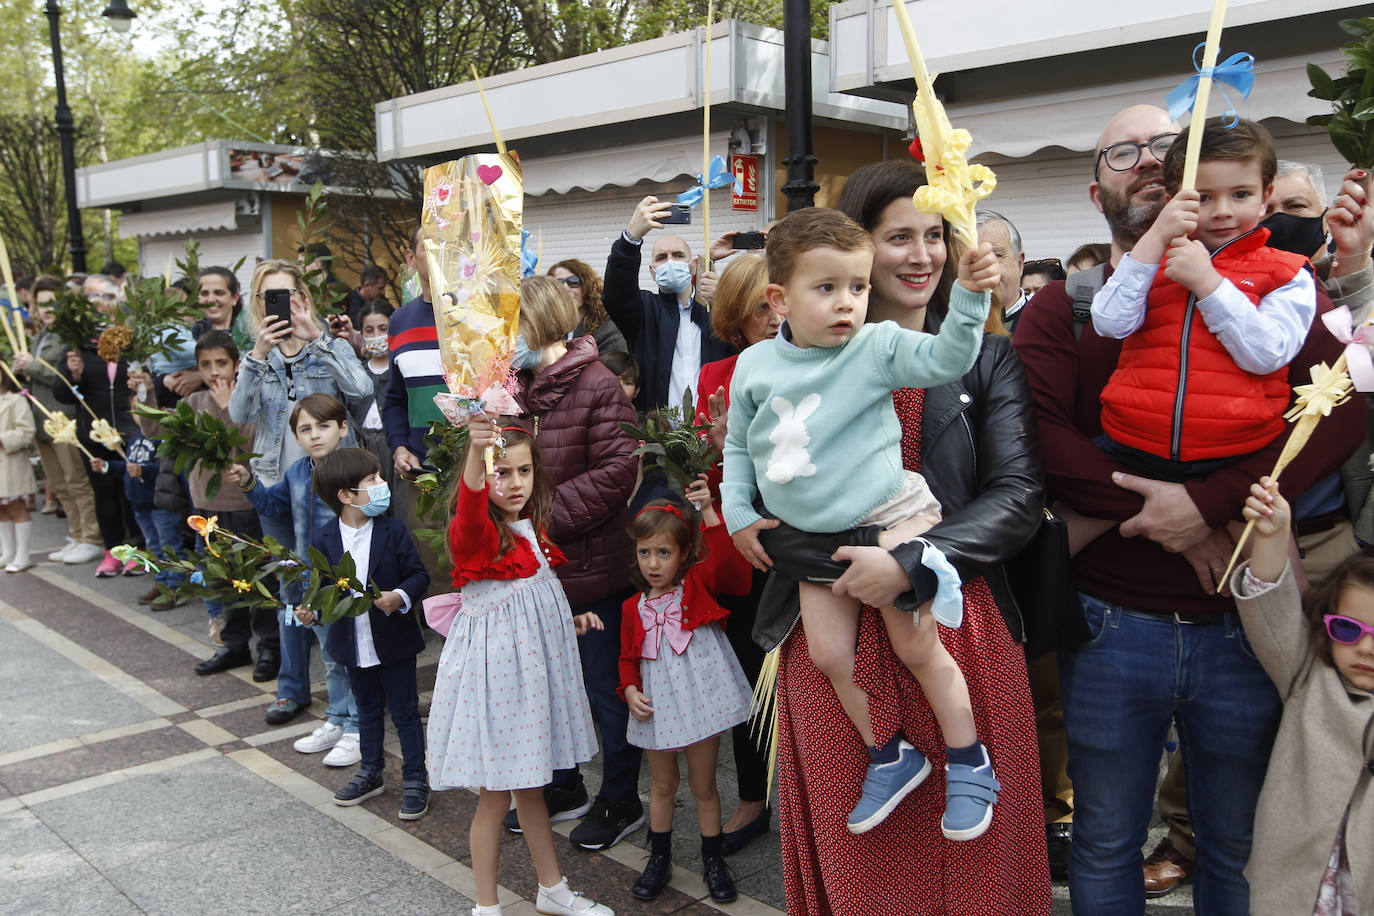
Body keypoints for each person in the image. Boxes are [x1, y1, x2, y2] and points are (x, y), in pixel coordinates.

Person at [1012, 103, 1361, 915]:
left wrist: (1205, 505)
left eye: (1166, 149)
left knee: (1233, 842)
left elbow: (1335, 410)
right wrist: (1156, 512)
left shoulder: (1269, 283)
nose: (1148, 165)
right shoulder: (1071, 304)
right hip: (1111, 617)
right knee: (1105, 838)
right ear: (1096, 189)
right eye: (1122, 153)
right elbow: (1040, 435)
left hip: (1242, 620)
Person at [755, 160, 1048, 912]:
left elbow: (1017, 498)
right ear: (857, 245)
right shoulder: (789, 367)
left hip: (956, 622)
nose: (921, 256)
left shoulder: (985, 357)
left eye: (933, 236)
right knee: (870, 867)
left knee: (977, 859)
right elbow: (767, 503)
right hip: (835, 636)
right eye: (897, 238)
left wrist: (912, 561)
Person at [724, 206, 998, 838]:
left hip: (890, 516)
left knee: (914, 644)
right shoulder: (754, 366)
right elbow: (739, 447)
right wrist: (738, 511)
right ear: (778, 298)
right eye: (827, 289)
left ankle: (969, 758)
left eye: (857, 287)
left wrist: (969, 296)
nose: (847, 303)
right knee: (827, 654)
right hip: (814, 542)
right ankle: (891, 753)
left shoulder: (875, 345)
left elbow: (950, 357)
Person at [428, 414, 613, 916]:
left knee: (533, 789)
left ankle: (552, 890)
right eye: (500, 473)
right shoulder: (477, 534)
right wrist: (474, 451)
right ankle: (486, 908)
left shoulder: (529, 530)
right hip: (497, 688)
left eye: (523, 472)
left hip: (527, 681)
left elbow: (525, 603)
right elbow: (468, 508)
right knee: (494, 798)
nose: (513, 483)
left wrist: (564, 623)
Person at [1089, 118, 1315, 483]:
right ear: (1171, 200)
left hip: (1239, 453)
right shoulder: (1152, 263)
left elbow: (1268, 354)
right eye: (1204, 197)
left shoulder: (1287, 272)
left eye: (1240, 194)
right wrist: (1155, 237)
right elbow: (1110, 323)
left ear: (1264, 197)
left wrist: (1208, 284)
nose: (1223, 210)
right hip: (1131, 443)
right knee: (1066, 521)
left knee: (1267, 532)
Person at [502, 276, 642, 851]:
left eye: (515, 325)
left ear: (545, 323)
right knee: (547, 687)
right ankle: (564, 786)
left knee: (605, 691)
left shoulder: (597, 383)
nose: (509, 339)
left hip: (589, 567)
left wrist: (540, 518)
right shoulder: (514, 388)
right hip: (533, 573)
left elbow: (617, 471)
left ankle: (620, 797)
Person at [1232, 478, 1373, 916]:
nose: (1366, 648)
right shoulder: (1307, 675)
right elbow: (1268, 605)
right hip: (1296, 892)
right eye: (1349, 630)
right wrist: (1273, 534)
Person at [617, 484, 754, 903]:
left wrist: (711, 510)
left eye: (663, 552)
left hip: (700, 707)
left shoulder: (696, 586)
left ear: (683, 553)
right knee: (662, 786)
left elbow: (731, 565)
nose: (653, 563)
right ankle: (660, 858)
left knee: (704, 786)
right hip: (656, 709)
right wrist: (630, 690)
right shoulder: (631, 607)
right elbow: (626, 659)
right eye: (645, 552)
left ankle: (713, 859)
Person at [690, 252, 776, 853]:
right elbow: (703, 463)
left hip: (808, 540)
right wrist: (722, 448)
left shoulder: (815, 362)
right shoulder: (716, 375)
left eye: (778, 302)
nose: (773, 316)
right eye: (758, 307)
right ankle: (753, 797)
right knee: (751, 680)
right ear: (735, 316)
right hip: (741, 545)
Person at [132, 332, 280, 669]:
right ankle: (235, 644)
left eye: (221, 364)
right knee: (222, 579)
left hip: (245, 507)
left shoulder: (249, 401)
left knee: (256, 578)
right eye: (206, 365)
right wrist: (146, 391)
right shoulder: (193, 404)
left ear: (236, 365)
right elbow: (155, 431)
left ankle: (270, 647)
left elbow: (247, 446)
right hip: (207, 507)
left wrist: (230, 407)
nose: (214, 372)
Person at [302, 447, 432, 820]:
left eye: (379, 477)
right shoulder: (325, 538)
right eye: (372, 480)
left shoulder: (392, 530)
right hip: (352, 644)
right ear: (345, 496)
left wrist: (400, 596)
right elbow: (322, 588)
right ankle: (371, 771)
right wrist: (311, 610)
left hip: (393, 641)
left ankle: (415, 777)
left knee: (406, 712)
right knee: (368, 710)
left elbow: (418, 575)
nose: (381, 485)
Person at [230, 394, 360, 746]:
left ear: (343, 428)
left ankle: (357, 725)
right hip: (309, 582)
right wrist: (249, 482)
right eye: (305, 429)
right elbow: (273, 505)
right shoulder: (298, 472)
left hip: (345, 582)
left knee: (351, 654)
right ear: (297, 437)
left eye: (323, 426)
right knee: (331, 656)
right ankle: (337, 717)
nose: (315, 435)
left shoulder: (355, 470)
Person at [228, 259, 370, 492]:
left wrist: (316, 338)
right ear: (259, 304)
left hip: (332, 479)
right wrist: (257, 357)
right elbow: (240, 415)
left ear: (303, 297)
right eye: (268, 296)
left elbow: (362, 391)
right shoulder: (255, 359)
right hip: (274, 483)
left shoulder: (332, 348)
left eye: (285, 293)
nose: (278, 302)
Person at [602, 196, 735, 412]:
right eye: (662, 257)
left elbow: (745, 339)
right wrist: (631, 238)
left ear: (693, 266)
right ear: (652, 272)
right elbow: (616, 292)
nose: (670, 262)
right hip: (658, 435)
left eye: (678, 255)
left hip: (713, 432)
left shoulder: (714, 310)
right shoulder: (643, 311)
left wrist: (726, 302)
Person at [11, 276, 103, 565]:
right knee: (58, 483)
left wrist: (32, 366)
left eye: (51, 303)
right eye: (41, 304)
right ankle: (76, 534)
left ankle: (90, 537)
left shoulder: (68, 336)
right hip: (41, 420)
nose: (46, 309)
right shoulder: (41, 335)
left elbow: (65, 376)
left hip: (63, 418)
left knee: (75, 480)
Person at [57, 275, 139, 577]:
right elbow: (62, 393)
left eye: (107, 297)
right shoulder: (77, 348)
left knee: (132, 492)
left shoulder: (130, 340)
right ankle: (112, 551)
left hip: (129, 432)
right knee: (104, 493)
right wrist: (72, 374)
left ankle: (136, 551)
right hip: (93, 434)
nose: (100, 305)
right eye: (92, 299)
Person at [90, 430, 185, 607]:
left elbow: (169, 469)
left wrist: (144, 470)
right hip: (140, 504)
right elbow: (127, 467)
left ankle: (175, 586)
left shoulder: (163, 439)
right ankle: (162, 583)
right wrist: (107, 466)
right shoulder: (134, 439)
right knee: (154, 547)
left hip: (160, 504)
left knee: (170, 546)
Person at [350, 300, 395, 491]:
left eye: (383, 328)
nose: (376, 335)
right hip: (363, 448)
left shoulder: (399, 369)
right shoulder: (357, 373)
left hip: (394, 449)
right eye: (369, 330)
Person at [549, 259, 627, 357]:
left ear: (587, 285)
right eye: (558, 284)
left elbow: (613, 368)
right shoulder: (548, 328)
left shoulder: (607, 328)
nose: (565, 288)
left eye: (573, 281)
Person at [0, 366, 36, 573]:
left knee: (16, 507)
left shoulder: (15, 399)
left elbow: (27, 431)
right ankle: (7, 552)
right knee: (1, 510)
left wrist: (3, 439)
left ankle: (23, 554)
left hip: (10, 462)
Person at [976, 210, 1030, 331]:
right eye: (972, 259)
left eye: (996, 255)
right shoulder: (942, 329)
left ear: (1019, 264)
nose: (983, 267)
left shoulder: (1044, 326)